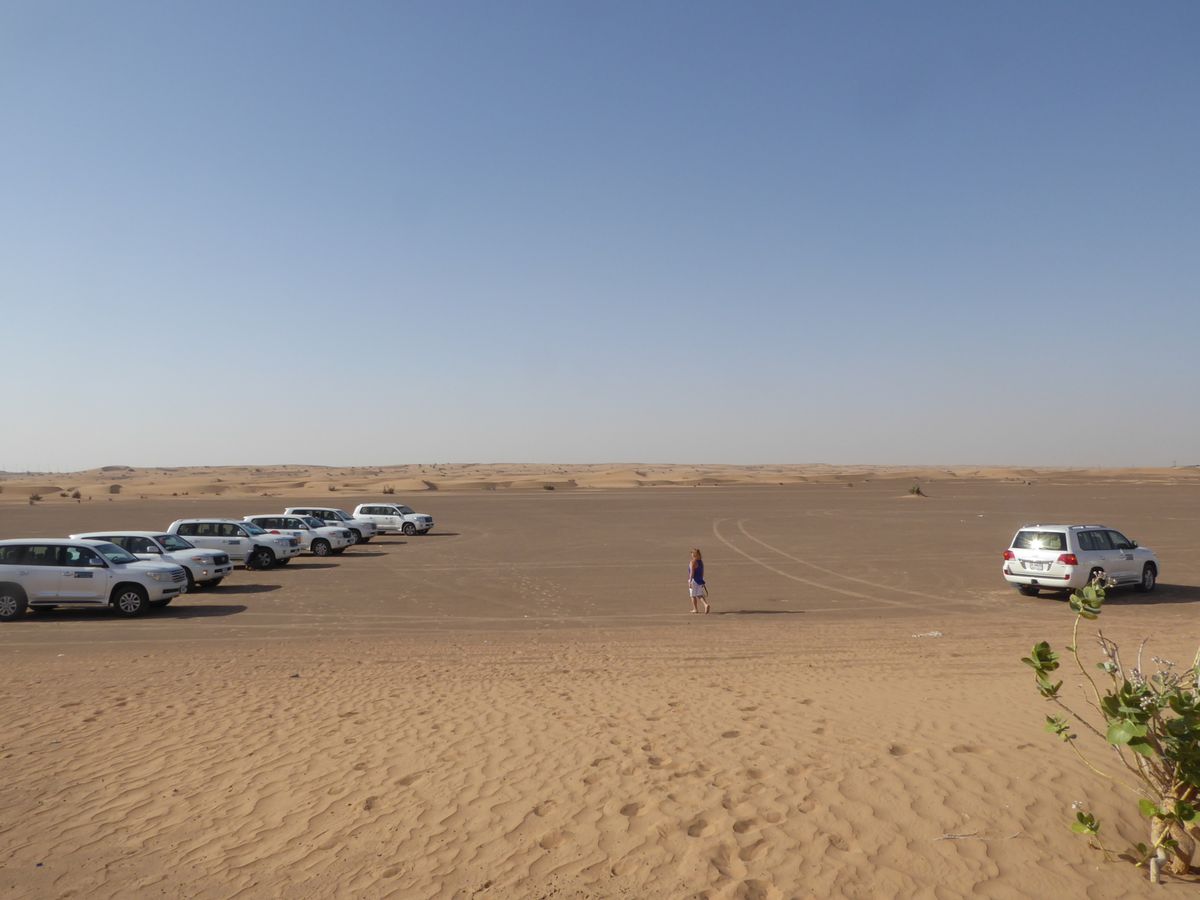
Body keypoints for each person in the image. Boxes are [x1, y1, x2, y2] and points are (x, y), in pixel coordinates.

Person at [688, 548, 710, 614]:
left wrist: (690, 581)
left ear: (694, 554)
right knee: (699, 594)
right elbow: (702, 572)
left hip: (694, 580)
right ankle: (705, 605)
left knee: (693, 595)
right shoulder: (701, 562)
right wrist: (702, 580)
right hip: (700, 580)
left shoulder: (692, 562)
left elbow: (692, 573)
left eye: (692, 553)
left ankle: (695, 609)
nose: (691, 555)